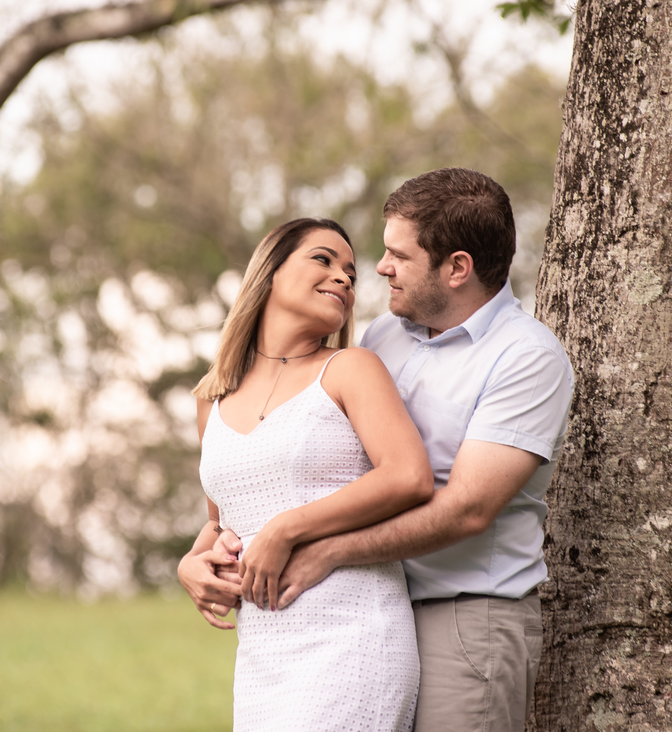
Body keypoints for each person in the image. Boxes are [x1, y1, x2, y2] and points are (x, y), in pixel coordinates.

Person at [183, 168, 574, 732]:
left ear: (457, 267)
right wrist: (197, 559)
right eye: (334, 262)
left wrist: (326, 546)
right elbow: (265, 492)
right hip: (345, 604)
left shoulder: (526, 358)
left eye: (396, 256)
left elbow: (465, 506)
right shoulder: (384, 336)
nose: (374, 270)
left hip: (463, 612)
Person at [181, 217, 435, 732]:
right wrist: (191, 563)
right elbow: (220, 524)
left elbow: (409, 476)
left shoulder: (350, 368)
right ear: (270, 273)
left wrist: (286, 527)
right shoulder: (212, 401)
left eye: (351, 272)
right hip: (262, 653)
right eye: (323, 259)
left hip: (353, 636)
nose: (343, 277)